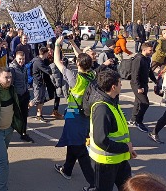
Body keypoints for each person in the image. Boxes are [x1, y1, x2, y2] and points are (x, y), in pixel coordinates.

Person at [53, 36, 95, 191]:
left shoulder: (74, 77)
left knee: (79, 148)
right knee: (73, 141)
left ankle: (93, 183)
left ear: (78, 63)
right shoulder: (93, 75)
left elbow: (57, 62)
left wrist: (58, 44)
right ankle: (67, 169)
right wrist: (72, 43)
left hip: (73, 113)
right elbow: (82, 58)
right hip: (86, 113)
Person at [89, 69, 137, 191]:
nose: (122, 84)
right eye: (120, 82)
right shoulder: (102, 109)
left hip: (119, 158)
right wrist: (126, 148)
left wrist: (127, 150)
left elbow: (118, 133)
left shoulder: (112, 102)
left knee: (128, 188)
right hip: (106, 162)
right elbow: (101, 141)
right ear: (114, 87)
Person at [129, 42, 157, 133]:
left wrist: (155, 81)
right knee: (145, 103)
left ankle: (133, 119)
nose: (152, 51)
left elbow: (149, 72)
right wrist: (138, 87)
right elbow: (135, 74)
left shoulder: (147, 59)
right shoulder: (139, 59)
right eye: (150, 50)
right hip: (137, 84)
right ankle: (138, 122)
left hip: (144, 84)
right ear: (144, 50)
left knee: (138, 102)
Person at [9, 51, 34, 142]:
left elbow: (26, 79)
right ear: (16, 58)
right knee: (13, 117)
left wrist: (27, 91)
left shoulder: (24, 67)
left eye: (23, 59)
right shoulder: (12, 68)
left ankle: (23, 133)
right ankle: (6, 135)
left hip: (24, 94)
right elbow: (10, 84)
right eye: (20, 59)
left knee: (24, 115)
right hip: (16, 96)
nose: (21, 61)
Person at [28, 47, 53, 122]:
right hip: (37, 83)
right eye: (47, 53)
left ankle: (39, 115)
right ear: (45, 53)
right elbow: (48, 70)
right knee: (37, 99)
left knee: (41, 99)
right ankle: (26, 108)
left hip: (42, 82)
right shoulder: (38, 62)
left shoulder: (42, 60)